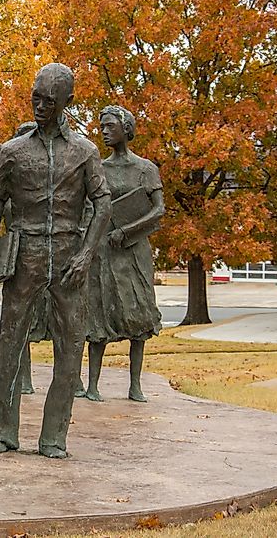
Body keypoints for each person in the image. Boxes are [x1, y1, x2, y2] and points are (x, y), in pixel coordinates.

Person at [0, 63, 112, 458]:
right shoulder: (12, 151)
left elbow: (102, 204)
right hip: (25, 252)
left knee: (70, 346)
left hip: (69, 255)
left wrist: (87, 254)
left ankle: (54, 436)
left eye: (48, 101)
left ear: (68, 102)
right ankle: (5, 432)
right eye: (35, 97)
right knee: (10, 341)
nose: (38, 106)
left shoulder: (85, 152)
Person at [79, 105, 164, 402]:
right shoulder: (98, 168)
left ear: (126, 129)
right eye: (101, 126)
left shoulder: (145, 169)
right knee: (100, 313)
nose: (104, 131)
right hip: (103, 250)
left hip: (134, 250)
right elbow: (89, 207)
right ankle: (92, 385)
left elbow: (158, 210)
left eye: (110, 126)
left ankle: (135, 385)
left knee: (138, 314)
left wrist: (127, 231)